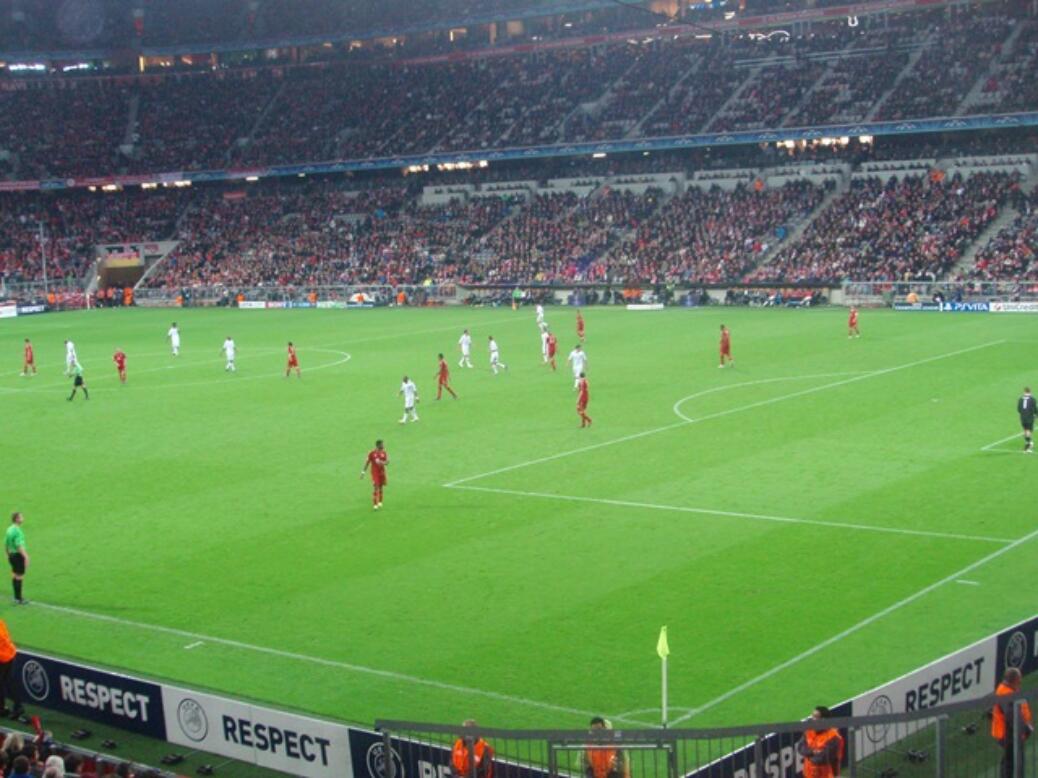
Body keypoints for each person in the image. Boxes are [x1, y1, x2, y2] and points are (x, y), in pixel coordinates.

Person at [993, 667, 1033, 778]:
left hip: (1009, 734)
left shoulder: (1006, 689)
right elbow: (1013, 716)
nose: (1020, 682)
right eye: (1019, 680)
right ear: (1014, 680)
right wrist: (1026, 729)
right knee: (1012, 763)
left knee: (1009, 761)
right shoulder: (1006, 694)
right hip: (1009, 735)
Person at [796, 706, 843, 778]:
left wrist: (808, 754)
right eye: (812, 716)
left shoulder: (833, 736)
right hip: (807, 774)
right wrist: (813, 752)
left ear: (823, 720)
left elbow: (822, 758)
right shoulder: (809, 730)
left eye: (815, 717)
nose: (812, 719)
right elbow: (800, 747)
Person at [0, 622, 22, 720]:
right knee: (7, 682)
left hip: (3, 657)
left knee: (5, 683)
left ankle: (15, 707)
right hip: (9, 654)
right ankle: (16, 707)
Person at [5, 513, 27, 605]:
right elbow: (18, 545)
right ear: (17, 519)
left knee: (14, 575)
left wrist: (7, 554)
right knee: (19, 576)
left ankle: (16, 597)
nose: (23, 518)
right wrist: (26, 556)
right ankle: (19, 599)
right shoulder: (17, 531)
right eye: (21, 517)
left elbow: (5, 543)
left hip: (11, 555)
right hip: (18, 556)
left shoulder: (9, 529)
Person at [360, 440, 388, 510]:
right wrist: (363, 472)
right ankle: (375, 504)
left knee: (381, 487)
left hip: (382, 472)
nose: (383, 446)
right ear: (378, 445)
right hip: (375, 473)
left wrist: (383, 462)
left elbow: (386, 462)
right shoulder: (372, 453)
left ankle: (380, 502)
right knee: (376, 487)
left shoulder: (384, 453)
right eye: (382, 444)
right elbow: (367, 462)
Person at [1019, 387, 1035, 454]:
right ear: (1030, 392)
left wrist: (1023, 414)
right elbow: (1035, 408)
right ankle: (1028, 446)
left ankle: (1028, 442)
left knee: (1025, 430)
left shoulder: (1020, 399)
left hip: (1022, 417)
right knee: (1029, 430)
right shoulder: (1032, 399)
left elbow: (1018, 409)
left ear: (1024, 392)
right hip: (1030, 417)